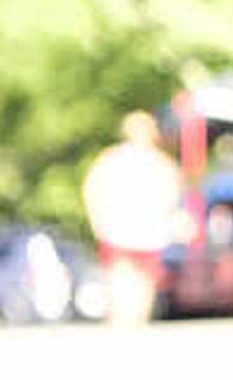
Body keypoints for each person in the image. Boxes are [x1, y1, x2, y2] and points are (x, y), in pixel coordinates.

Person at [79, 112, 184, 328]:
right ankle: (120, 323)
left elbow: (173, 194)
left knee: (145, 282)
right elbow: (94, 189)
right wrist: (97, 219)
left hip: (150, 232)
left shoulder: (160, 163)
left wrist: (170, 220)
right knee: (120, 279)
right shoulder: (112, 160)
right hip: (118, 231)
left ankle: (137, 323)